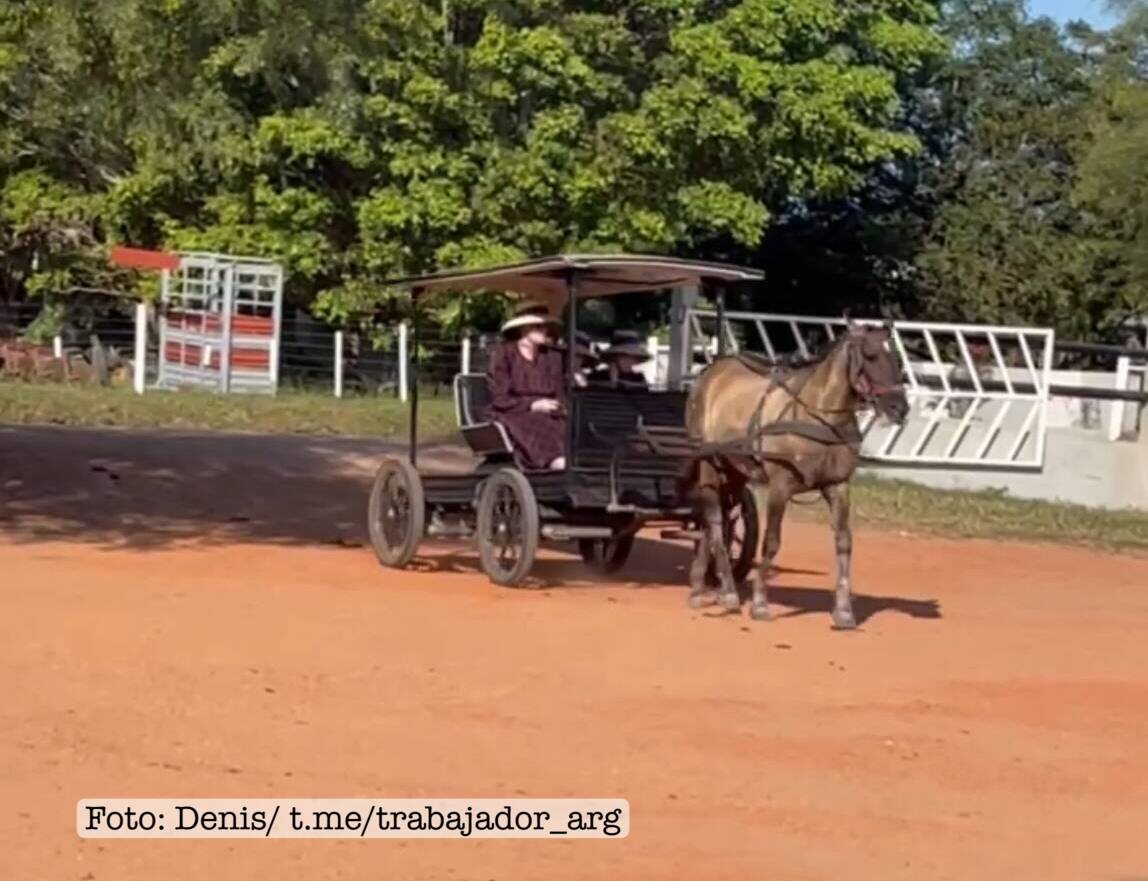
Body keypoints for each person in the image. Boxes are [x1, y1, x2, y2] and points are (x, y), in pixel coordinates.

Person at [486, 302, 567, 471]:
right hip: (511, 410)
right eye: (538, 327)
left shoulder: (552, 356)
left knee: (570, 422)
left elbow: (559, 390)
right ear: (524, 329)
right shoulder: (504, 354)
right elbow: (499, 397)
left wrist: (561, 406)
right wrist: (532, 405)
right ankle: (553, 461)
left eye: (545, 327)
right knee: (537, 420)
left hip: (549, 408)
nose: (544, 331)